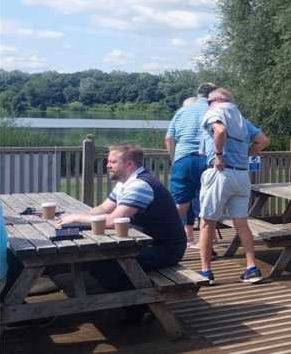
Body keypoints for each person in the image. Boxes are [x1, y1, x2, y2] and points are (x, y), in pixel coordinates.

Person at [58, 143, 186, 320]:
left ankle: (140, 308)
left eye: (112, 161)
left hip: (165, 249)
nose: (107, 165)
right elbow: (104, 208)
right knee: (98, 261)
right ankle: (129, 302)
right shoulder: (126, 183)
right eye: (108, 161)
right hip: (147, 242)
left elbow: (111, 221)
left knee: (108, 268)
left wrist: (76, 219)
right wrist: (73, 216)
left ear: (129, 164)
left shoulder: (140, 185)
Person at [197, 88, 269, 284]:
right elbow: (263, 141)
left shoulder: (215, 112)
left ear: (216, 100)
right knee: (241, 223)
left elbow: (219, 130)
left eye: (208, 102)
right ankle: (251, 268)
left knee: (207, 222)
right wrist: (246, 152)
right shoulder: (242, 120)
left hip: (221, 173)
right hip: (241, 174)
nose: (208, 106)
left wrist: (219, 155)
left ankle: (205, 272)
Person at [164, 82, 217, 246]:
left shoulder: (181, 112)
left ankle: (172, 239)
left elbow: (169, 138)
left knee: (180, 204)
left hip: (183, 159)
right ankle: (207, 241)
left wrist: (175, 159)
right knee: (206, 203)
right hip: (207, 159)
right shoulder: (214, 111)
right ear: (212, 96)